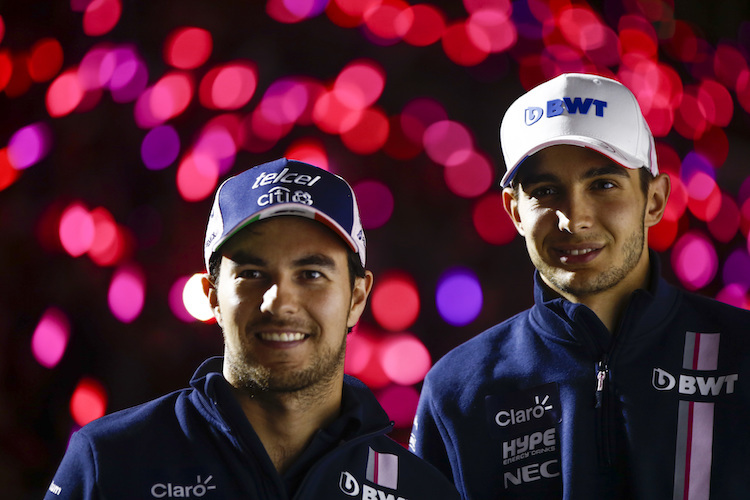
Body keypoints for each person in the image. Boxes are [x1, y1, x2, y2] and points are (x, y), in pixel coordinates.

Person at [409, 73, 750, 499]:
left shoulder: (741, 353)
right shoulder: (458, 389)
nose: (574, 218)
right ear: (515, 212)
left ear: (655, 200)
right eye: (546, 191)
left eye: (603, 185)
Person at [45, 158, 460, 499]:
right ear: (212, 296)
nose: (279, 301)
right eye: (251, 273)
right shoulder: (110, 461)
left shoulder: (420, 491)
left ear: (356, 297)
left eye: (312, 273)